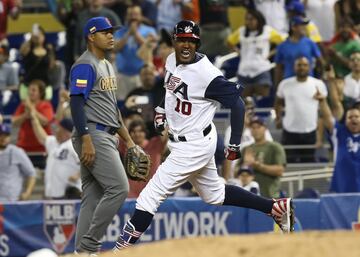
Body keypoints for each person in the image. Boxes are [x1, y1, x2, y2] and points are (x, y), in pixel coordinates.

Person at [113, 20, 295, 251]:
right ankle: (275, 207)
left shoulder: (207, 74)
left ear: (197, 44)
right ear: (174, 41)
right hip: (189, 141)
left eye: (192, 41)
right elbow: (171, 90)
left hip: (193, 146)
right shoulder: (171, 61)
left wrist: (234, 143)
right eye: (182, 40)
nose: (186, 45)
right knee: (214, 194)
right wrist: (160, 110)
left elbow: (237, 105)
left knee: (149, 197)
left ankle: (119, 250)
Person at [69, 17, 139, 255]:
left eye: (112, 32)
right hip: (93, 134)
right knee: (119, 188)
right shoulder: (85, 65)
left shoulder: (107, 64)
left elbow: (112, 107)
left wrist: (128, 140)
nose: (111, 36)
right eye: (105, 32)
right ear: (91, 36)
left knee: (92, 195)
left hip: (107, 134)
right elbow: (76, 104)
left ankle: (82, 252)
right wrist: (86, 138)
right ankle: (91, 245)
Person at [275, 56, 328, 162]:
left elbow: (323, 113)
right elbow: (278, 103)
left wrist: (320, 137)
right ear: (294, 67)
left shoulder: (318, 84)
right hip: (289, 131)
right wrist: (278, 118)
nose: (302, 68)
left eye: (305, 65)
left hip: (310, 131)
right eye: (299, 65)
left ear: (309, 67)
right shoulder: (285, 84)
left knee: (307, 164)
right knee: (288, 164)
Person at [314, 86, 360, 193]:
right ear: (345, 121)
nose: (353, 119)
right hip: (341, 188)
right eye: (350, 117)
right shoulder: (339, 133)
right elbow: (328, 118)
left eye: (356, 117)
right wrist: (322, 101)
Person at [30, 112, 81, 200]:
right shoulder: (54, 142)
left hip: (69, 194)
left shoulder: (74, 144)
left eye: (58, 128)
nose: (56, 130)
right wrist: (34, 119)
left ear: (65, 131)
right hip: (52, 194)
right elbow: (41, 136)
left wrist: (78, 174)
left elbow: (89, 162)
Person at [118, 119, 167, 198]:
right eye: (133, 131)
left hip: (153, 193)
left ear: (145, 132)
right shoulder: (125, 146)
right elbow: (117, 130)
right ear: (129, 134)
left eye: (140, 131)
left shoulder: (155, 144)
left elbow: (166, 132)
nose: (137, 134)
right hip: (131, 195)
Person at [11, 79, 54, 168]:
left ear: (40, 93)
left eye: (34, 90)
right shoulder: (23, 106)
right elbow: (14, 122)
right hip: (23, 147)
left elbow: (45, 121)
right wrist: (25, 115)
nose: (30, 92)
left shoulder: (46, 105)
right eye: (29, 90)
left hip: (41, 148)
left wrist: (31, 109)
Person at [240, 116, 286, 198]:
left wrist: (257, 165)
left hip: (270, 196)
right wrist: (245, 165)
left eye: (258, 127)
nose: (256, 130)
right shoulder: (246, 149)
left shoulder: (275, 147)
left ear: (265, 128)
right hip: (249, 198)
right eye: (253, 128)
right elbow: (236, 173)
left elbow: (280, 170)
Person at [0, 123, 36, 202]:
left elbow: (31, 173)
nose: (3, 138)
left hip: (12, 200)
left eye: (6, 135)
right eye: (1, 135)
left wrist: (27, 193)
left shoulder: (16, 152)